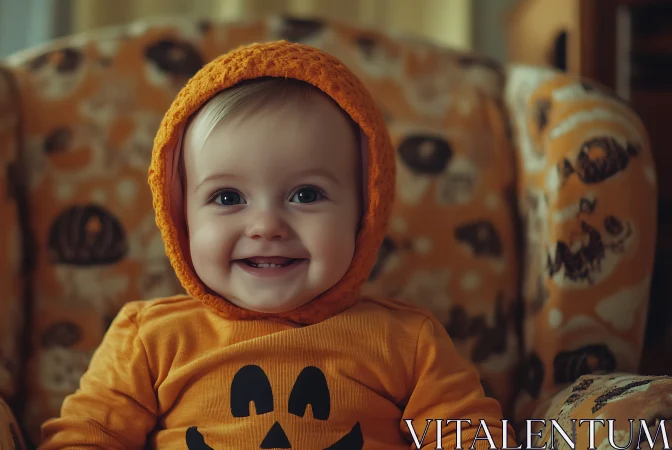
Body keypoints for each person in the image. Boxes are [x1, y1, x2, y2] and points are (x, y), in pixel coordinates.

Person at [39, 40, 517, 449]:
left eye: (306, 194)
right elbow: (84, 438)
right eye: (228, 197)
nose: (266, 225)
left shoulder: (409, 342)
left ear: (364, 214)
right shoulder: (148, 339)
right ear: (180, 218)